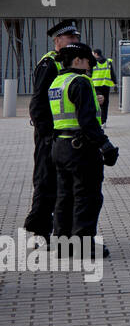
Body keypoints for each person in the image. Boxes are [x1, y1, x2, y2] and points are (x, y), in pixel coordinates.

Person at [49, 41, 118, 258]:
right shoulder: (80, 82)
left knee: (64, 197)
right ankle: (83, 246)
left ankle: (62, 243)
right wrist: (105, 145)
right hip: (80, 149)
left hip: (60, 146)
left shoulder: (57, 82)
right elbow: (88, 121)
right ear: (78, 60)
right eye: (88, 60)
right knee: (87, 197)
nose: (91, 65)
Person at [23, 19, 81, 247]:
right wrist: (46, 135)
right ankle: (40, 230)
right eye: (70, 38)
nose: (75, 41)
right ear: (58, 41)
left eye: (76, 37)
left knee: (62, 184)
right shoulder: (50, 64)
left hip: (62, 135)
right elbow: (38, 103)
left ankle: (61, 229)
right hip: (50, 135)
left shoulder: (68, 63)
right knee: (46, 181)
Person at [90, 48, 116, 125]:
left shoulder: (93, 62)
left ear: (96, 54)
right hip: (106, 85)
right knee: (105, 103)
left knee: (96, 103)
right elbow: (112, 73)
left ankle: (97, 120)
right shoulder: (108, 62)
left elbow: (89, 74)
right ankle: (103, 121)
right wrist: (115, 83)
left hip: (96, 85)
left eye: (93, 53)